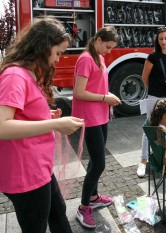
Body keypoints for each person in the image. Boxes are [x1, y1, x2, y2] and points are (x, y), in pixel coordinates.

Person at [0, 17, 84, 233]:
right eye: (57, 53)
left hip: (37, 167)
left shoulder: (27, 72)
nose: (58, 59)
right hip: (26, 173)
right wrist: (53, 125)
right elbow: (2, 126)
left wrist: (47, 116)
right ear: (43, 46)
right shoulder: (14, 76)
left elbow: (22, 115)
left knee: (58, 214)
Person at [72, 26, 121, 229]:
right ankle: (83, 208)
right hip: (90, 117)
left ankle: (93, 197)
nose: (109, 51)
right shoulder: (86, 59)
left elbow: (97, 85)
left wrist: (107, 101)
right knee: (99, 163)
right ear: (98, 40)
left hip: (100, 115)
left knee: (96, 159)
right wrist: (105, 98)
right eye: (108, 47)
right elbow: (78, 92)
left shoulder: (98, 57)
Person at [137, 27, 166, 178]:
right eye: (160, 39)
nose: (163, 41)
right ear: (157, 40)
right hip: (154, 96)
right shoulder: (152, 57)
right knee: (150, 127)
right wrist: (154, 91)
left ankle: (165, 157)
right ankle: (143, 161)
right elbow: (144, 76)